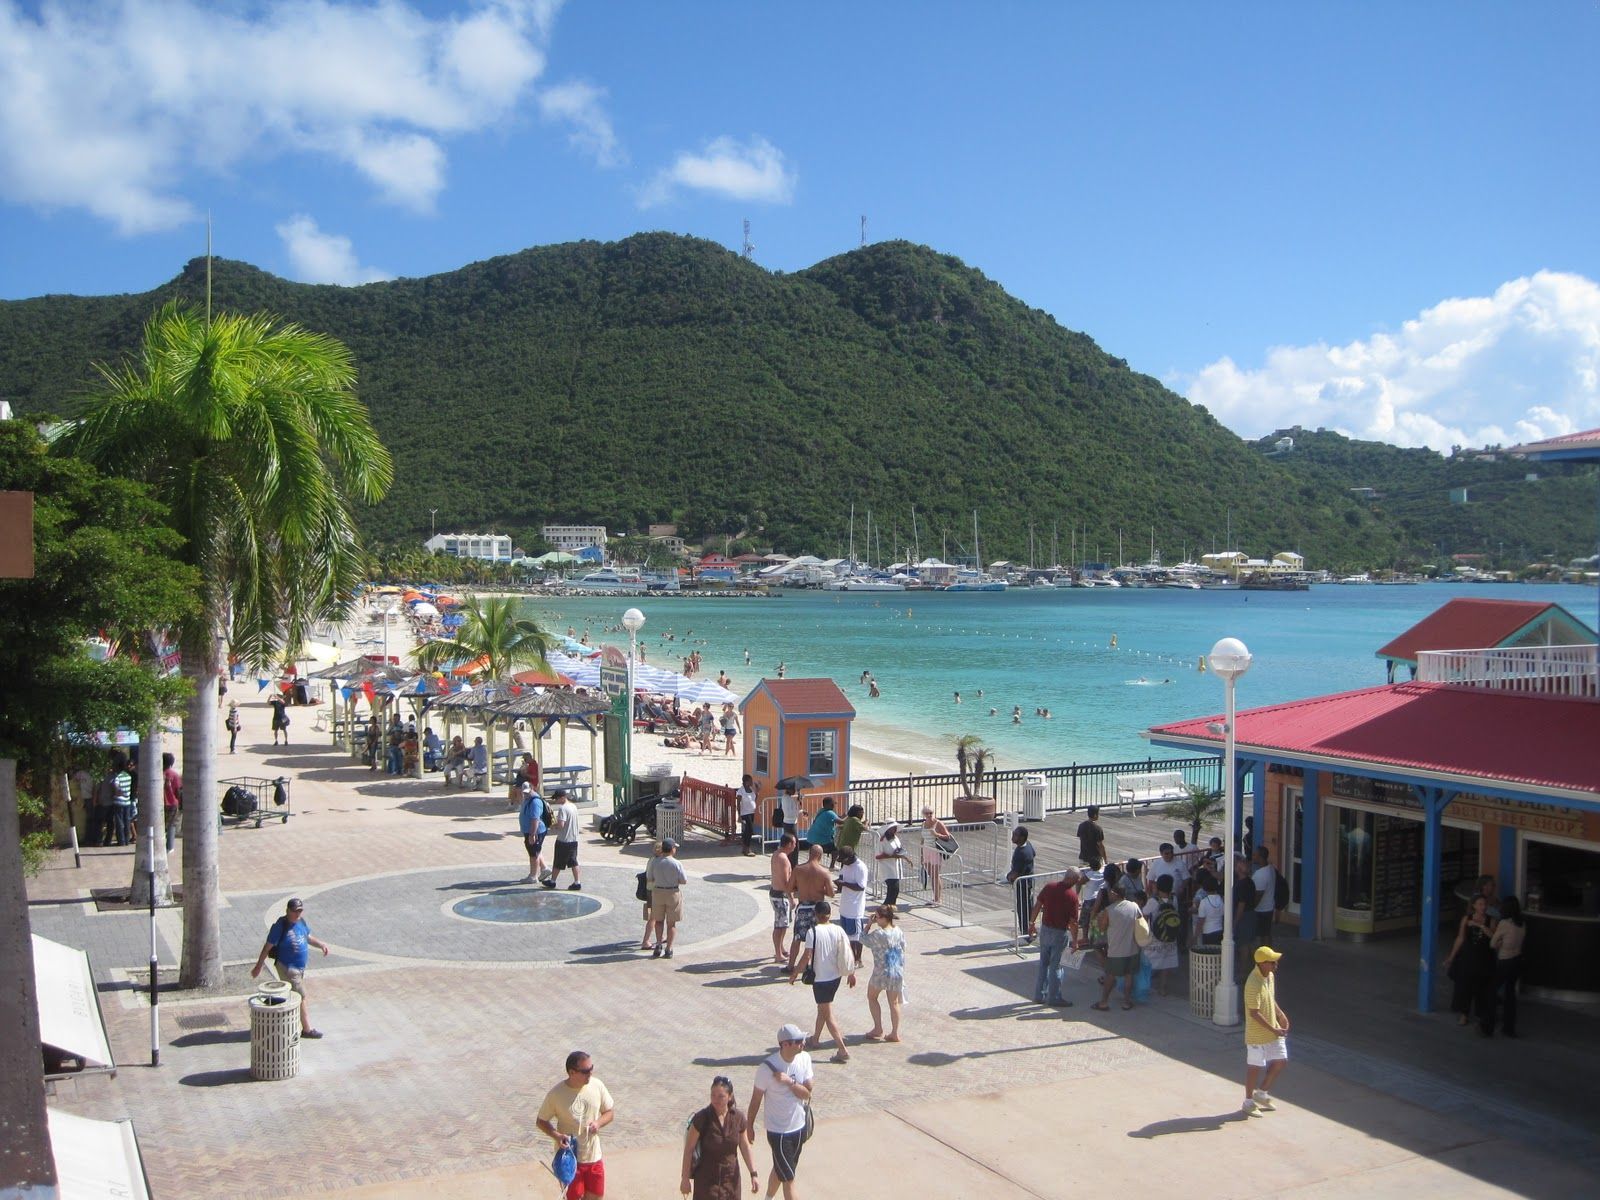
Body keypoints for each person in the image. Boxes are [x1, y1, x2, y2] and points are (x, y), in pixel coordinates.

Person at [537, 1050, 615, 1200]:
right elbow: (541, 1121)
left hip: (593, 1157)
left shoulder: (597, 1085)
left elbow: (609, 1113)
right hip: (570, 1161)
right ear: (572, 1072)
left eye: (591, 1069)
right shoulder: (556, 1094)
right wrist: (556, 1135)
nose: (590, 1074)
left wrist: (598, 1122)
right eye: (586, 1071)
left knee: (596, 1197)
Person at [747, 1025, 814, 1200]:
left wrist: (789, 1082)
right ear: (785, 1044)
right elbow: (756, 1100)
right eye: (798, 1041)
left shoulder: (804, 1058)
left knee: (782, 1169)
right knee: (789, 1179)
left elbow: (807, 1093)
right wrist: (749, 1126)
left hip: (799, 1127)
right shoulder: (766, 1068)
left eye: (803, 1040)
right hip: (778, 1132)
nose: (803, 1044)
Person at [250, 898, 329, 1038]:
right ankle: (307, 1029)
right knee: (301, 996)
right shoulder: (280, 926)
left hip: (299, 969)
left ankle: (281, 1021)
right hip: (288, 967)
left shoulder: (301, 922)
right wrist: (258, 966)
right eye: (295, 911)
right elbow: (267, 947)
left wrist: (321, 944)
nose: (298, 914)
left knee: (292, 995)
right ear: (288, 911)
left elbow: (308, 937)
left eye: (300, 911)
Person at [790, 900, 855, 1063]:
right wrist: (851, 973)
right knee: (823, 1007)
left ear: (816, 915)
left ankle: (842, 1049)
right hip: (835, 977)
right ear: (829, 914)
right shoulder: (838, 929)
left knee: (827, 1013)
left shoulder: (813, 932)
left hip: (821, 979)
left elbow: (807, 956)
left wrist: (795, 973)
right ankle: (816, 1039)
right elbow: (847, 951)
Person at [680, 1074, 757, 1199]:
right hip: (706, 1183)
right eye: (713, 1096)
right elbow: (689, 1149)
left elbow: (745, 1146)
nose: (716, 1100)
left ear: (729, 1096)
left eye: (721, 1096)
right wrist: (685, 1179)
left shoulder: (738, 1118)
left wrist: (753, 1174)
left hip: (731, 1182)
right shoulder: (701, 1118)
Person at [1243, 946, 1290, 1114]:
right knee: (1254, 1067)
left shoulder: (1269, 976)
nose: (1275, 963)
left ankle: (1261, 1094)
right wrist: (1274, 1029)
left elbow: (1270, 998)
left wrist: (1280, 1014)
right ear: (1262, 963)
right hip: (1257, 1034)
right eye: (1272, 961)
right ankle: (1248, 1102)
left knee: (1280, 1060)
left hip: (1273, 1030)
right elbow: (1254, 1013)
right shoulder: (1252, 983)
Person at [1028, 869, 1080, 1007]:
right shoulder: (1072, 896)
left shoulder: (1049, 887)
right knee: (1056, 966)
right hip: (1059, 933)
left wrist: (1031, 923)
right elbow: (1073, 922)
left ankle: (1039, 994)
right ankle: (1054, 997)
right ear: (1073, 880)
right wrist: (1075, 941)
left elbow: (1038, 905)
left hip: (1045, 930)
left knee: (1043, 964)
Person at [1444, 894, 1497, 1027]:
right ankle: (1464, 1013)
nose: (1483, 907)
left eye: (1484, 904)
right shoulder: (1466, 919)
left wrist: (1483, 928)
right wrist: (1451, 956)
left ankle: (1481, 1013)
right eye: (1480, 904)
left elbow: (1494, 939)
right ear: (1473, 905)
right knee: (1465, 985)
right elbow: (1460, 938)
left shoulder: (1491, 920)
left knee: (1482, 985)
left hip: (1484, 957)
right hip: (1468, 956)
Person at [1090, 886, 1141, 1012]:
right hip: (1132, 948)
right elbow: (1141, 922)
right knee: (1129, 975)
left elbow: (1102, 928)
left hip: (1116, 950)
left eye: (1110, 894)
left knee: (1110, 976)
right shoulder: (1134, 906)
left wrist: (1100, 918)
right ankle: (1126, 1002)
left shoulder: (1109, 910)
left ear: (1114, 894)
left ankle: (1103, 1002)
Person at [788, 846, 836, 974]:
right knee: (816, 939)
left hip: (803, 907)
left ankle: (790, 966)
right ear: (820, 856)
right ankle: (813, 966)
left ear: (809, 854)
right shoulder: (824, 872)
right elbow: (831, 893)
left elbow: (789, 887)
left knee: (797, 938)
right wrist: (821, 890)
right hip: (817, 909)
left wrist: (800, 890)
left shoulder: (798, 869)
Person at [862, 903, 907, 1041]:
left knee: (872, 997)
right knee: (894, 1003)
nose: (876, 919)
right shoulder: (898, 931)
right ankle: (895, 1033)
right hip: (896, 970)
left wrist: (868, 925)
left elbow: (862, 939)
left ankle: (878, 1028)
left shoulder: (879, 934)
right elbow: (904, 947)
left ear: (883, 918)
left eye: (877, 917)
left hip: (881, 972)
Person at [1485, 896, 1525, 1038]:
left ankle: (1487, 1027)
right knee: (1510, 994)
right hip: (1517, 960)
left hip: (1505, 961)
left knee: (1490, 992)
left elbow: (1493, 943)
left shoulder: (1504, 923)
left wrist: (1499, 942)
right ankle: (1509, 1028)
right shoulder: (1521, 923)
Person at [649, 837, 689, 958]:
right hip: (672, 892)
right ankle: (669, 948)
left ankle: (659, 944)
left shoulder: (655, 862)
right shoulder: (676, 863)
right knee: (671, 924)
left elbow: (650, 878)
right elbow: (684, 880)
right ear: (672, 849)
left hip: (658, 892)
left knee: (658, 921)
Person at [1142, 875, 1181, 996]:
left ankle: (1145, 986)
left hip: (1156, 936)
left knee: (1147, 962)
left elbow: (1144, 915)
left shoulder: (1153, 901)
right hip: (1170, 936)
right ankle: (1162, 988)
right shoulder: (1174, 899)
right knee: (1166, 962)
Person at [542, 790, 583, 890]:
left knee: (558, 861)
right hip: (574, 839)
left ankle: (553, 881)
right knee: (573, 861)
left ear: (563, 797)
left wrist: (553, 826)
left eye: (557, 798)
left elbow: (561, 825)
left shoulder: (563, 809)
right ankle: (577, 882)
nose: (556, 800)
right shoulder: (573, 806)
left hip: (564, 840)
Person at [834, 847, 869, 966]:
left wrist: (844, 884)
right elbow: (842, 877)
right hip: (844, 906)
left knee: (857, 936)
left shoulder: (860, 867)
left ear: (850, 857)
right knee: (847, 936)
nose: (842, 863)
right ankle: (851, 957)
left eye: (843, 860)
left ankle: (858, 958)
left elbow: (861, 887)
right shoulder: (845, 865)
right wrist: (839, 883)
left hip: (855, 908)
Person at [769, 834, 796, 962]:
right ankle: (778, 953)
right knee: (779, 926)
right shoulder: (783, 859)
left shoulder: (776, 854)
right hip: (780, 895)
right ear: (789, 844)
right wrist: (791, 898)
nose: (795, 846)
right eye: (794, 843)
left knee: (783, 924)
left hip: (776, 893)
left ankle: (780, 948)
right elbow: (786, 882)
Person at [919, 807, 953, 905]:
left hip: (935, 851)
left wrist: (936, 834)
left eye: (931, 813)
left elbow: (948, 836)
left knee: (935, 875)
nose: (929, 815)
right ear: (924, 814)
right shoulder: (923, 824)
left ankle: (938, 899)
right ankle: (935, 898)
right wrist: (921, 855)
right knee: (931, 875)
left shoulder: (938, 823)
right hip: (926, 851)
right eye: (927, 813)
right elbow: (922, 840)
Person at [1007, 827, 1036, 939]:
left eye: (1015, 835)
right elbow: (1034, 854)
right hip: (1029, 882)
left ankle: (1026, 935)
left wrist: (1009, 877)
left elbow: (1016, 873)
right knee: (1028, 908)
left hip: (1023, 885)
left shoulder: (1021, 853)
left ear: (1022, 837)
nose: (1012, 837)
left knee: (1023, 910)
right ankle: (1030, 932)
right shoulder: (1028, 845)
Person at [518, 783, 549, 884]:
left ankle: (533, 876)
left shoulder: (535, 801)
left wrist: (532, 834)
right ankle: (544, 869)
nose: (525, 794)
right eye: (524, 792)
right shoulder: (527, 799)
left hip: (535, 831)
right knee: (536, 850)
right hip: (530, 830)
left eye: (527, 792)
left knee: (533, 853)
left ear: (532, 788)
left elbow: (535, 819)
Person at [1250, 846, 1279, 949]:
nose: (1253, 857)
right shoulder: (1270, 868)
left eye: (1255, 855)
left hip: (1261, 909)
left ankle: (1264, 955)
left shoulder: (1261, 874)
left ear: (1261, 857)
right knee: (1266, 933)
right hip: (1269, 907)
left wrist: (1251, 908)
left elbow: (1258, 894)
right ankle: (1267, 954)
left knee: (1260, 935)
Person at [875, 823, 907, 908]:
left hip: (895, 867)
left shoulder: (895, 838)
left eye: (894, 828)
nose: (893, 830)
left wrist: (905, 858)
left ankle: (890, 909)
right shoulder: (882, 840)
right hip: (887, 868)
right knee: (893, 889)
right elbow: (878, 856)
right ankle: (885, 909)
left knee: (894, 891)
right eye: (891, 828)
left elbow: (899, 850)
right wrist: (892, 856)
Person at [1192, 869, 1225, 946]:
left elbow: (1201, 921)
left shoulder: (1204, 902)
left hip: (1208, 932)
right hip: (1220, 930)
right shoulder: (1221, 899)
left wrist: (1195, 936)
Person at [807, 798, 839, 867]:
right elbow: (841, 821)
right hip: (821, 839)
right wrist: (849, 816)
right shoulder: (830, 813)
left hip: (810, 838)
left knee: (813, 851)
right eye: (832, 804)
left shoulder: (821, 811)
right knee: (835, 850)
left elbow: (835, 819)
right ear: (828, 805)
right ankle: (832, 866)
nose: (833, 806)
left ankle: (811, 863)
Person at [160, 752, 182, 854]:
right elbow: (178, 790)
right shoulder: (174, 775)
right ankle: (170, 846)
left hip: (161, 803)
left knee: (161, 825)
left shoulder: (159, 774)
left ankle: (160, 844)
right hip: (172, 803)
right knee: (171, 825)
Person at [1076, 806, 1106, 870]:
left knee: (1084, 877)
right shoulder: (1098, 829)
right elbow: (1100, 845)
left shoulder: (1081, 825)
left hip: (1083, 857)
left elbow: (1081, 839)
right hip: (1096, 860)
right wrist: (1105, 859)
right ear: (1095, 815)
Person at [736, 775, 759, 856]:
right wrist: (739, 815)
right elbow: (738, 803)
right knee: (749, 830)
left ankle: (745, 848)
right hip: (745, 813)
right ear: (746, 781)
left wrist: (757, 791)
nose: (752, 782)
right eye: (750, 780)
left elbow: (754, 799)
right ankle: (747, 849)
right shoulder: (741, 791)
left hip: (751, 812)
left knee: (748, 831)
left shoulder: (751, 789)